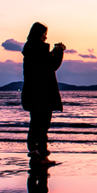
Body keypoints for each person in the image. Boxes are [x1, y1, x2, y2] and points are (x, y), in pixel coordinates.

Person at [21, 22, 65, 163]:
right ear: (40, 34)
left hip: (32, 92)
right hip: (42, 93)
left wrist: (51, 53)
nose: (46, 37)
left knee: (35, 124)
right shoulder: (39, 48)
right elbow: (52, 66)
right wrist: (58, 52)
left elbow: (43, 65)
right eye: (45, 34)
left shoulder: (30, 49)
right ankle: (42, 155)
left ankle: (35, 154)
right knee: (42, 125)